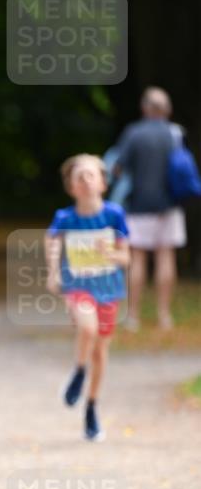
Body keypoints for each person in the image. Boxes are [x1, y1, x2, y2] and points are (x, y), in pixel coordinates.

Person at [45, 154, 130, 442]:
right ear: (71, 187)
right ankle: (79, 372)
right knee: (87, 328)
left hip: (109, 288)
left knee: (100, 351)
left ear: (103, 183)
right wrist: (54, 272)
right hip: (78, 286)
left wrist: (110, 254)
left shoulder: (114, 215)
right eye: (78, 176)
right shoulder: (65, 218)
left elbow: (125, 256)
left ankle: (91, 406)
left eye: (90, 175)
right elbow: (52, 243)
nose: (85, 180)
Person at [114, 87, 187, 330]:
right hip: (170, 204)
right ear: (167, 109)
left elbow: (118, 168)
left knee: (138, 259)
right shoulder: (174, 133)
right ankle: (164, 316)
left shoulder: (134, 133)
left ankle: (133, 316)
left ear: (145, 108)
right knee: (166, 257)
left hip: (139, 205)